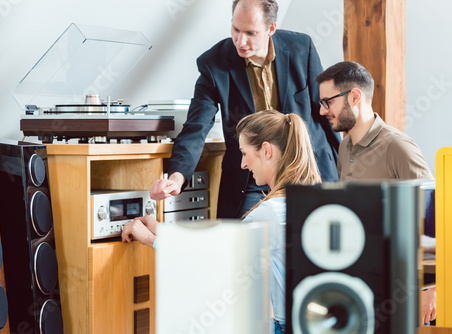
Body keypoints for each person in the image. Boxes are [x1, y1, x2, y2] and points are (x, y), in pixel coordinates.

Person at [123, 109, 322, 333]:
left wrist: (150, 239)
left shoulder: (269, 214)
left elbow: (212, 268)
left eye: (245, 153)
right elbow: (216, 250)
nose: (243, 165)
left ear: (266, 151)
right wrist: (162, 230)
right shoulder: (309, 200)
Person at [149, 0, 339, 219]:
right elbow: (196, 127)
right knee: (239, 243)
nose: (240, 41)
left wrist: (342, 165)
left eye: (250, 33)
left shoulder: (301, 48)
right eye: (236, 29)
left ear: (271, 29)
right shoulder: (214, 63)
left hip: (305, 168)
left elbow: (325, 109)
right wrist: (176, 178)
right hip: (250, 176)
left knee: (310, 243)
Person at [315, 60, 435, 324]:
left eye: (328, 102)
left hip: (402, 289)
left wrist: (430, 288)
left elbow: (435, 217)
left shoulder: (398, 147)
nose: (323, 111)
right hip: (363, 283)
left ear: (354, 96)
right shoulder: (345, 147)